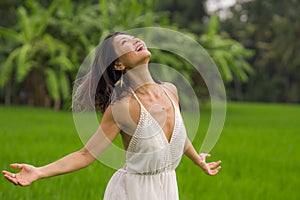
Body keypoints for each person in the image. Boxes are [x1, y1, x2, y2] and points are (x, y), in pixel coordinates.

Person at [2, 32, 221, 199]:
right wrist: (39, 172)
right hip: (134, 192)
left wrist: (198, 161)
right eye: (125, 43)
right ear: (119, 64)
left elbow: (177, 136)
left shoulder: (170, 91)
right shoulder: (122, 108)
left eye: (134, 37)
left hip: (168, 189)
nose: (135, 40)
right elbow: (86, 155)